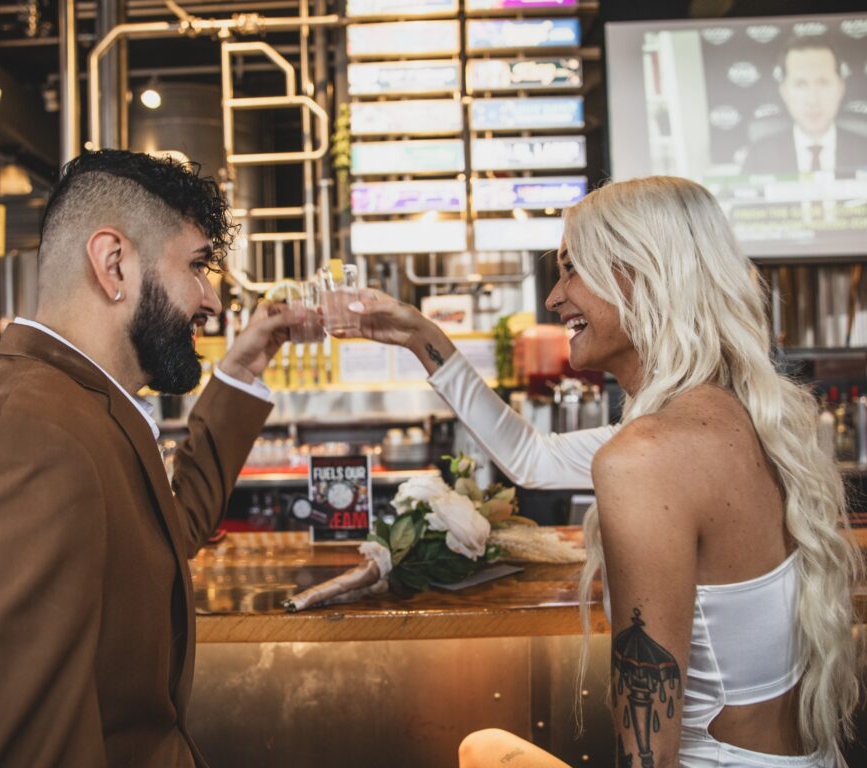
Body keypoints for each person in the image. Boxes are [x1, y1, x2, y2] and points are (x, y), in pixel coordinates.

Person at [343, 176, 860, 766]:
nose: (554, 298)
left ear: (642, 276)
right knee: (484, 747)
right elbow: (531, 458)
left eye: (572, 269)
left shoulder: (647, 456)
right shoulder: (738, 417)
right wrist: (420, 336)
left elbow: (651, 753)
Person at [0, 150, 299, 767]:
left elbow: (165, 526)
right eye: (198, 267)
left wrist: (244, 367)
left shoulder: (75, 407)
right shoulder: (14, 438)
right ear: (113, 263)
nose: (212, 301)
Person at [743, 37, 867, 177]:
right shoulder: (759, 155)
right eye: (801, 84)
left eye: (823, 83)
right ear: (784, 91)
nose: (813, 100)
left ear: (840, 88)